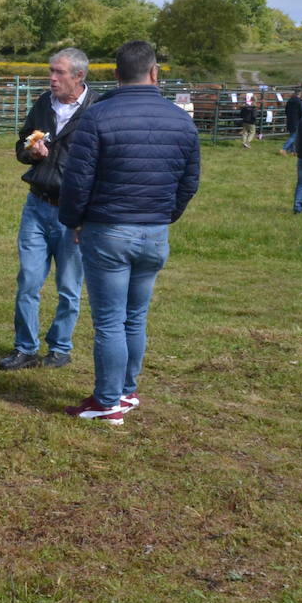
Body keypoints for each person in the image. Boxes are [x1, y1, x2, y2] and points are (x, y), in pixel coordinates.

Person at [59, 41, 199, 425]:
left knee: (109, 320)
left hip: (108, 230)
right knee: (135, 317)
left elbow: (77, 178)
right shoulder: (180, 119)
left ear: (116, 74)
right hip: (153, 230)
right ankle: (126, 390)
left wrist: (73, 220)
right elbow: (190, 180)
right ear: (155, 72)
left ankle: (108, 402)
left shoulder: (99, 116)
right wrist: (166, 215)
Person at [0, 47, 99, 371]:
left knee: (69, 287)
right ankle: (24, 348)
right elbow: (21, 146)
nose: (51, 78)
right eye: (51, 72)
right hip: (37, 206)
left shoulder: (97, 109)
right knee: (28, 280)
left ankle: (60, 347)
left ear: (78, 76)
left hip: (74, 213)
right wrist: (32, 153)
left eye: (59, 73)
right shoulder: (43, 104)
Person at [280, 89, 302, 155]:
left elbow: (286, 111)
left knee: (293, 135)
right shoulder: (300, 102)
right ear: (299, 94)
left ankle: (293, 151)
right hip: (297, 121)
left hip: (289, 120)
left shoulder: (289, 101)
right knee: (294, 136)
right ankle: (284, 149)